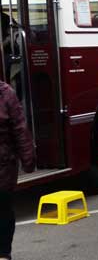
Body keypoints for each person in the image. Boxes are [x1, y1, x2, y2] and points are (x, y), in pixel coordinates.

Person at [0, 79, 35, 260]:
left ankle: (4, 253)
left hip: (3, 167)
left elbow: (20, 129)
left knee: (3, 210)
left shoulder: (6, 93)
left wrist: (28, 159)